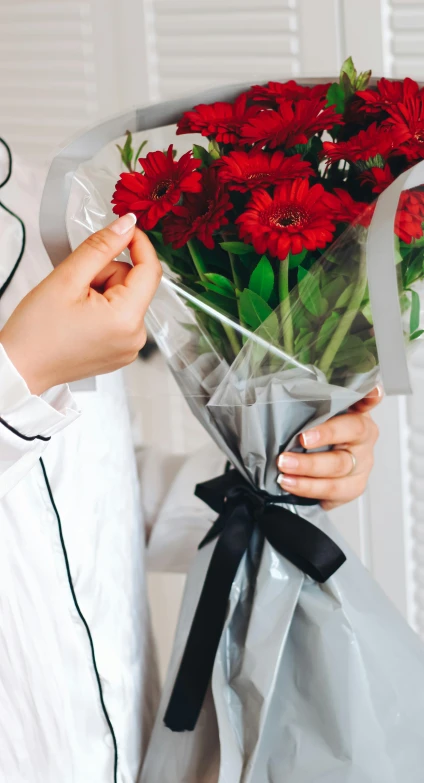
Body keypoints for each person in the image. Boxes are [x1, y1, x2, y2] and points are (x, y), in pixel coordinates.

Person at [0, 145, 381, 782]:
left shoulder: (61, 202)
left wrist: (283, 475)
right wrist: (20, 378)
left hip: (132, 742)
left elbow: (80, 490)